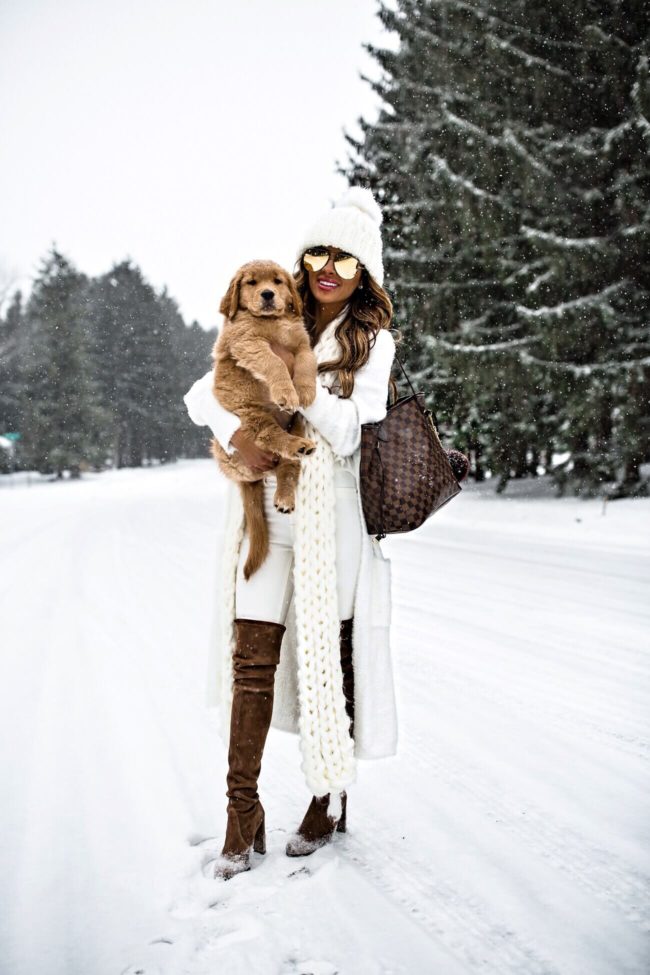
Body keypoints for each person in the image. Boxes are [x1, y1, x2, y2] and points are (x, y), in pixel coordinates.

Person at [184, 187, 399, 880]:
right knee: (251, 657)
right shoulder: (275, 315)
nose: (328, 267)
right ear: (302, 260)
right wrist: (239, 433)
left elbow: (352, 429)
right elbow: (202, 391)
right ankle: (240, 813)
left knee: (323, 665)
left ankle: (325, 795)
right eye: (318, 252)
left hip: (332, 520)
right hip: (266, 516)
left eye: (346, 258)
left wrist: (300, 389)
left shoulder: (372, 342)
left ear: (364, 272)